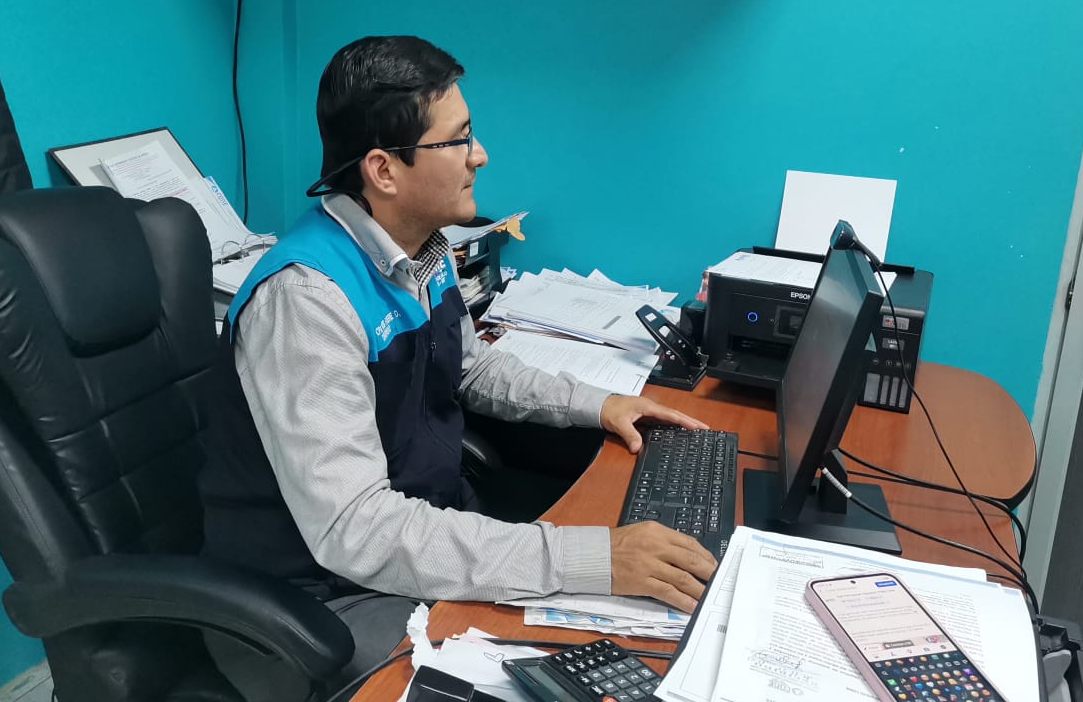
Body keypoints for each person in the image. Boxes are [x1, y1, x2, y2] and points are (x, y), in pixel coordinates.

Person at [199, 35, 716, 699]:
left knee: (633, 647)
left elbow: (469, 368)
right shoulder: (306, 300)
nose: (480, 155)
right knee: (563, 675)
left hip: (418, 544)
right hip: (319, 605)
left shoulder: (425, 247)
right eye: (459, 139)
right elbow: (356, 531)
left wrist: (597, 404)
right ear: (384, 170)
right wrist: (593, 557)